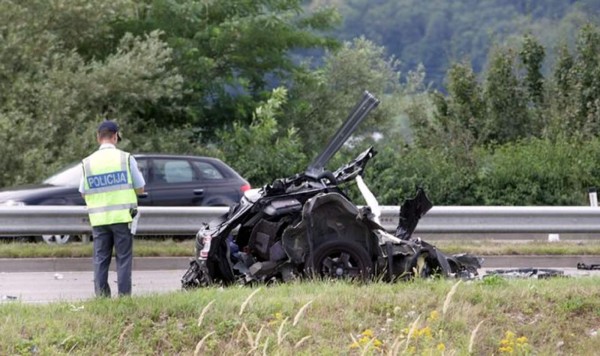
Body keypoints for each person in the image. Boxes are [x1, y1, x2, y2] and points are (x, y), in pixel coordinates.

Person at [79, 120, 145, 297]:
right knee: (123, 260)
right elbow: (140, 188)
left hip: (99, 220)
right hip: (122, 218)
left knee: (100, 260)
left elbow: (83, 192)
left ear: (97, 138)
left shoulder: (88, 163)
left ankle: (102, 297)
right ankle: (124, 297)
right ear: (115, 137)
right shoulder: (125, 158)